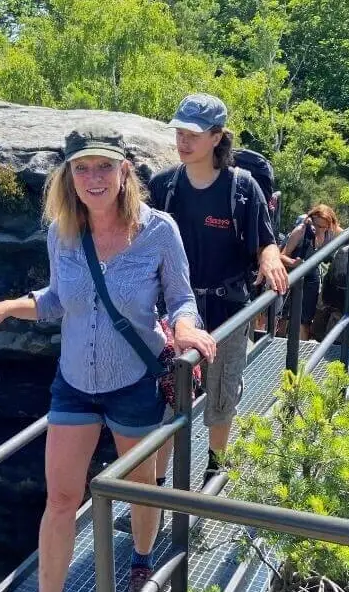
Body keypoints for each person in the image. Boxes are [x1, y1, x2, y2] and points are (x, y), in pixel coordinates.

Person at [0, 126, 216, 592]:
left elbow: (182, 298)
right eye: (82, 168)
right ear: (68, 176)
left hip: (133, 385)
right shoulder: (62, 232)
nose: (93, 179)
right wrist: (8, 306)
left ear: (125, 171)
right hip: (74, 382)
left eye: (104, 167)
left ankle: (142, 560)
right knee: (59, 499)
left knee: (141, 490)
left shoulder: (158, 230)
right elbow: (57, 299)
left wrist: (188, 327)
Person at [146, 93, 287, 488]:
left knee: (221, 392)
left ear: (216, 137)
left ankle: (215, 467)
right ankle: (158, 484)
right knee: (170, 397)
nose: (183, 140)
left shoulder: (241, 189)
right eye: (179, 131)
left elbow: (265, 239)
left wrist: (270, 257)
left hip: (227, 309)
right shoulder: (164, 187)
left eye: (193, 133)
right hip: (176, 310)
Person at [277, 204, 341, 340]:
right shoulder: (301, 230)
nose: (318, 229)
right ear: (310, 219)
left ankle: (301, 356)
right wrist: (293, 263)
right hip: (291, 273)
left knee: (305, 319)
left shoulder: (330, 231)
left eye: (323, 227)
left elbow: (345, 232)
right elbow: (281, 255)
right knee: (284, 317)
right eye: (316, 225)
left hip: (311, 274)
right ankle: (279, 345)